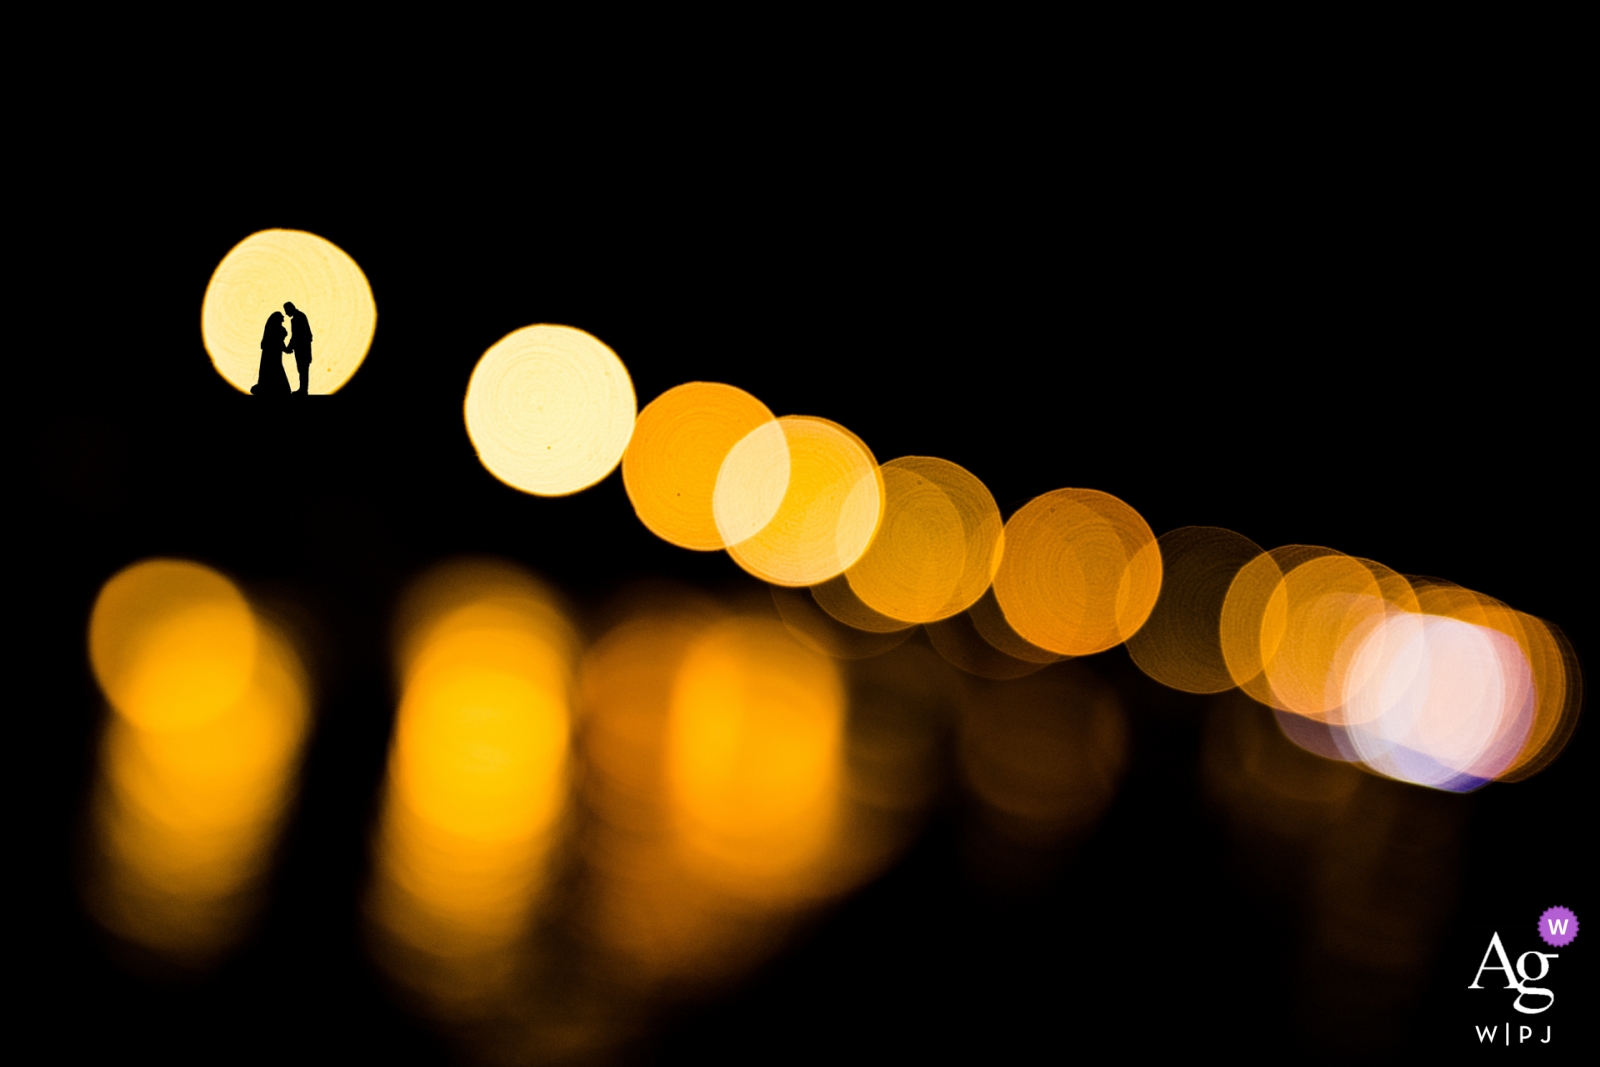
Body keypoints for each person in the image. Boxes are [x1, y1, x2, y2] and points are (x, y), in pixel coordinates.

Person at [251, 312, 291, 396]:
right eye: (281, 317)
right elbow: (278, 341)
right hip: (273, 354)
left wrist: (285, 349)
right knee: (274, 369)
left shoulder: (274, 328)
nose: (283, 318)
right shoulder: (275, 329)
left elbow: (280, 341)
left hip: (274, 353)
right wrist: (286, 349)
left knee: (272, 369)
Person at [284, 301, 314, 396]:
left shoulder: (298, 318)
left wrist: (289, 347)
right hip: (301, 348)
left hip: (302, 349)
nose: (285, 313)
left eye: (286, 310)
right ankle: (303, 389)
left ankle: (303, 390)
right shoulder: (299, 316)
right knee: (302, 370)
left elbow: (296, 335)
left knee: (303, 370)